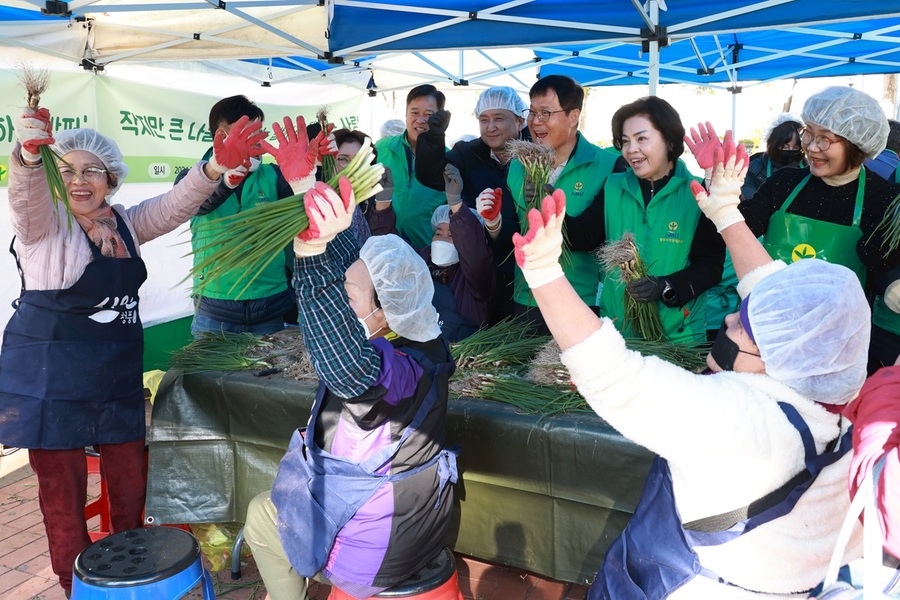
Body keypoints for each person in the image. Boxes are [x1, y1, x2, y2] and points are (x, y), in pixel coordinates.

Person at [512, 138, 871, 598]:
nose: (726, 319)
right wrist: (725, 211)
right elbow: (779, 298)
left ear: (773, 357)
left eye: (742, 325)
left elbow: (614, 375)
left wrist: (543, 272)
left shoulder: (743, 421)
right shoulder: (833, 391)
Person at [0, 107, 264, 596]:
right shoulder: (44, 227)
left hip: (113, 377)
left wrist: (210, 171)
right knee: (62, 497)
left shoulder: (122, 222)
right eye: (67, 171)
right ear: (55, 181)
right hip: (49, 379)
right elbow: (26, 197)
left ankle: (131, 573)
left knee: (129, 485)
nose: (79, 181)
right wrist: (31, 158)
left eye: (91, 171)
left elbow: (171, 206)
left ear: (111, 178)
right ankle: (75, 585)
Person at [242, 176, 457, 599]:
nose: (341, 298)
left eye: (349, 295)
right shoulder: (425, 338)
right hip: (417, 522)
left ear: (383, 312)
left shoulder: (391, 374)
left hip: (377, 553)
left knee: (260, 516)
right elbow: (359, 267)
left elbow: (344, 366)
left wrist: (307, 257)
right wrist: (313, 196)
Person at [726, 86, 900, 373]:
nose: (811, 146)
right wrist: (724, 194)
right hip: (764, 334)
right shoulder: (785, 183)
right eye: (809, 133)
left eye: (825, 139)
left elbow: (881, 264)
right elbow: (742, 228)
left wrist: (892, 283)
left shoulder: (884, 199)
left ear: (857, 144)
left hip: (835, 348)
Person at [565, 96, 725, 344]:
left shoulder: (698, 193)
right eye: (626, 141)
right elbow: (583, 237)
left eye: (642, 139)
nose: (631, 150)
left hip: (677, 340)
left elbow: (711, 268)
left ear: (669, 140)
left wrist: (665, 285)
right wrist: (547, 208)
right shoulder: (613, 186)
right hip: (619, 336)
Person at [181, 95, 310, 337]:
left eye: (260, 133)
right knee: (208, 374)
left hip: (269, 308)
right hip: (215, 310)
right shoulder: (194, 178)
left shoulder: (274, 175)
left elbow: (305, 214)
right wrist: (224, 183)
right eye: (247, 133)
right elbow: (198, 204)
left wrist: (309, 176)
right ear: (221, 135)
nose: (258, 141)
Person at [507, 75, 618, 333]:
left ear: (572, 116)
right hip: (527, 297)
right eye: (532, 112)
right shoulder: (517, 165)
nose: (535, 122)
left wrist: (547, 206)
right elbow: (512, 232)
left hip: (581, 297)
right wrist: (492, 222)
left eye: (546, 113)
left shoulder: (609, 166)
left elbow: (592, 237)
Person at [415, 86, 529, 323]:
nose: (491, 127)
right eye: (484, 119)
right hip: (477, 271)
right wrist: (435, 137)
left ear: (519, 121)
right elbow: (432, 176)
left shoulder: (535, 157)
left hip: (525, 268)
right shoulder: (468, 153)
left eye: (499, 118)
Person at [421, 165, 495, 342]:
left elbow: (474, 253)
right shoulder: (421, 263)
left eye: (453, 235)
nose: (442, 239)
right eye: (438, 233)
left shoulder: (476, 276)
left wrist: (455, 203)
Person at [373, 85, 448, 248]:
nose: (420, 120)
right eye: (414, 112)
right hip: (383, 249)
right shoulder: (381, 148)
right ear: (406, 114)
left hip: (426, 256)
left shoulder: (447, 159)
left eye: (429, 115)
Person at [740, 113, 806, 201]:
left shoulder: (809, 169)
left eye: (795, 147)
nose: (790, 150)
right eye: (785, 146)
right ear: (774, 143)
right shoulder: (754, 169)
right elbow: (750, 202)